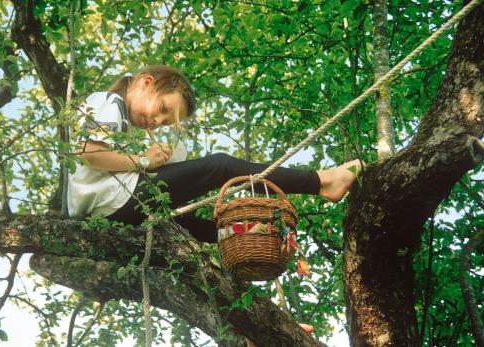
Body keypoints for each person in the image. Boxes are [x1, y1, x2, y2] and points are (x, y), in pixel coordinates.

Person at [68, 65, 362, 242]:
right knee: (219, 166)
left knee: (183, 222)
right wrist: (144, 161)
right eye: (163, 110)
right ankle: (320, 182)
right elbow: (89, 152)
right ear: (146, 82)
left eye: (166, 121)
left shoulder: (121, 121)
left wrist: (160, 162)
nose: (158, 122)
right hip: (114, 204)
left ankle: (235, 234)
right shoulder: (109, 102)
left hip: (112, 214)